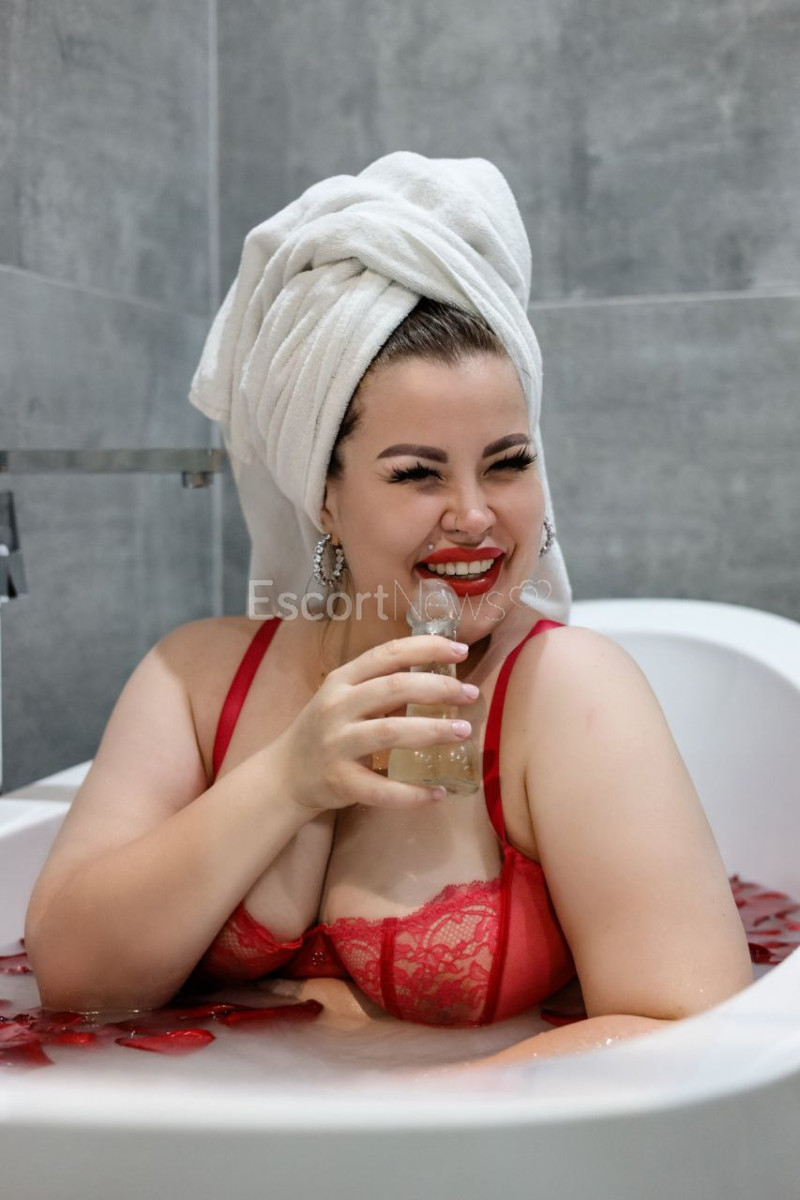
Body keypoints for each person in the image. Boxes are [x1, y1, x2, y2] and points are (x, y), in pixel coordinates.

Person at [24, 155, 752, 1058]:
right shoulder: (196, 680)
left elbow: (685, 1036)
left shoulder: (569, 692)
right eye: (417, 474)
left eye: (508, 462)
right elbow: (75, 980)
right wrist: (289, 779)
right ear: (324, 497)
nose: (475, 516)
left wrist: (400, 1123)